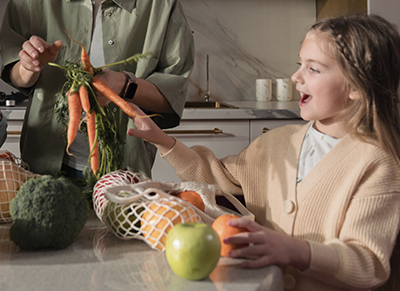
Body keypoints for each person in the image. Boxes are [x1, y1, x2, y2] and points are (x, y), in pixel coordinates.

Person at [126, 14, 400, 290]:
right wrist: (162, 140)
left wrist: (296, 250)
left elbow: (369, 264)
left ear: (355, 86)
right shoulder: (277, 143)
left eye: (313, 69)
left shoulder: (378, 163)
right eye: (299, 64)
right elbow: (218, 176)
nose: (296, 76)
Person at [0, 0, 194, 178]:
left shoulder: (161, 3)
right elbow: (14, 75)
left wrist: (123, 85)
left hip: (125, 170)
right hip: (44, 165)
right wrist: (28, 67)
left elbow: (172, 96)